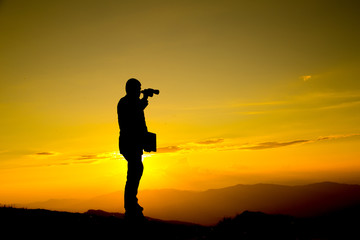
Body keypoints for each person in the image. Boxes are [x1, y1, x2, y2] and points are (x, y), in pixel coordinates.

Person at [117, 78, 149, 220]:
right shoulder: (125, 102)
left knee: (136, 170)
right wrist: (143, 101)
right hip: (129, 142)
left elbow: (140, 121)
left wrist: (146, 139)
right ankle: (130, 207)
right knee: (134, 172)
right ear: (132, 89)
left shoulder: (132, 102)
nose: (139, 91)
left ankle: (132, 204)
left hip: (135, 142)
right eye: (138, 88)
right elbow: (132, 115)